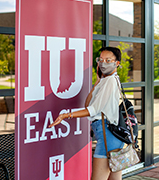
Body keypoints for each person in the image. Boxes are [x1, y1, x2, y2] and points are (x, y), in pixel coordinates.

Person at [49, 47, 124, 180]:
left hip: (108, 138)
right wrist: (97, 84)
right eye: (100, 60)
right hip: (111, 138)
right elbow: (88, 105)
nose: (103, 63)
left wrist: (65, 115)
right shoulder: (106, 81)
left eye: (108, 60)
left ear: (116, 63)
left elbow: (92, 110)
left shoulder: (111, 81)